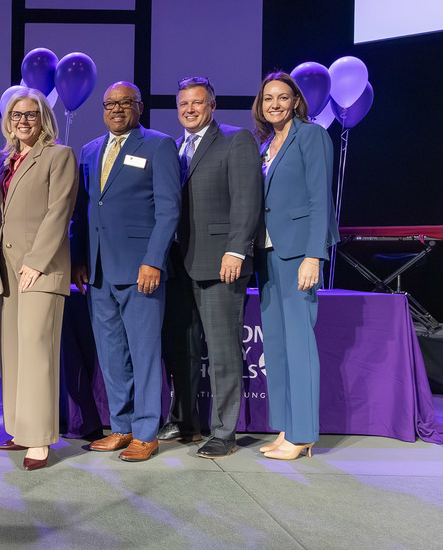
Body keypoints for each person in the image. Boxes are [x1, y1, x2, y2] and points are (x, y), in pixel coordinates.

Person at [71, 81, 180, 462]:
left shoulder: (158, 145)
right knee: (111, 354)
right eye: (110, 104)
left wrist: (153, 260)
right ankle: (121, 427)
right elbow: (83, 212)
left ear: (140, 107)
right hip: (98, 271)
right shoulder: (88, 150)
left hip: (141, 270)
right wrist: (79, 260)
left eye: (125, 103)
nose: (117, 109)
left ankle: (147, 431)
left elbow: (169, 211)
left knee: (145, 353)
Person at [158, 76, 263, 459]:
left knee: (221, 350)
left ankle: (224, 431)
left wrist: (237, 250)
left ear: (212, 105)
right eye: (183, 103)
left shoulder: (236, 140)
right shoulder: (173, 147)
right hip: (178, 263)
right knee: (181, 349)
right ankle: (184, 420)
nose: (189, 109)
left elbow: (247, 201)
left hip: (221, 262)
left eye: (197, 103)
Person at [0, 88, 77, 471]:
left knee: (37, 352)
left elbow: (59, 213)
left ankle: (39, 438)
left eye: (31, 115)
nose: (23, 121)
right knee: (15, 353)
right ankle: (20, 429)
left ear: (44, 120)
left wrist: (36, 262)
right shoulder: (5, 163)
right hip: (7, 272)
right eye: (16, 115)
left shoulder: (59, 156)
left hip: (42, 269)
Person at [252, 71, 338, 460]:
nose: (275, 104)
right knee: (279, 347)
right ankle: (287, 428)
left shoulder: (312, 135)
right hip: (268, 255)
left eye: (282, 97)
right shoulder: (267, 144)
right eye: (268, 98)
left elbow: (321, 198)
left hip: (297, 254)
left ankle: (303, 434)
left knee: (300, 345)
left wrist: (314, 254)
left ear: (296, 102)